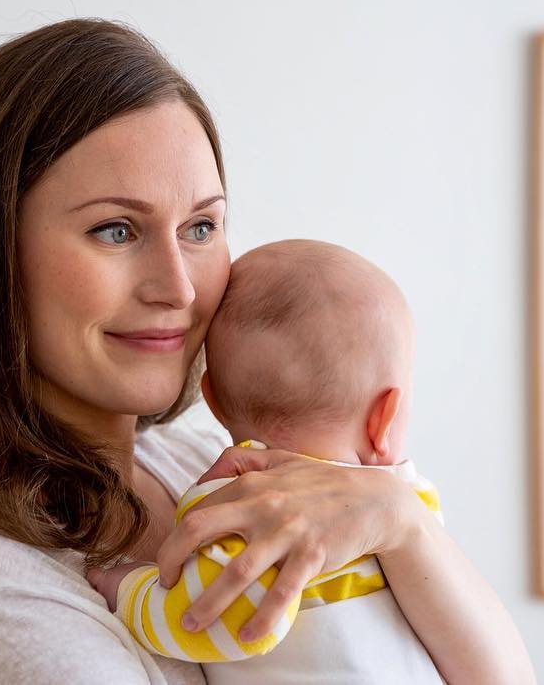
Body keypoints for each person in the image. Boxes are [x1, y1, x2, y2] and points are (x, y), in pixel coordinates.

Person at [0, 18, 536, 684]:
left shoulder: (203, 465)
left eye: (200, 228)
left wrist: (404, 523)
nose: (179, 288)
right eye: (116, 231)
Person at [86, 240, 447, 684]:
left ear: (213, 402)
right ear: (383, 418)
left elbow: (200, 622)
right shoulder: (414, 499)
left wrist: (126, 588)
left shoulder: (236, 509)